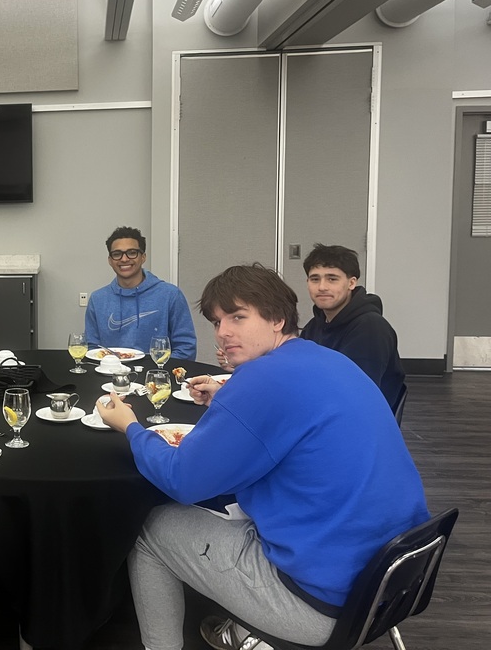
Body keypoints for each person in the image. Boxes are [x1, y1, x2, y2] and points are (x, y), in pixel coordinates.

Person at [96, 263, 428, 650]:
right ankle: (238, 628)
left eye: (238, 317)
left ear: (277, 320)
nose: (223, 332)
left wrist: (130, 427)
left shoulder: (262, 379)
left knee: (150, 526)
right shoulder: (329, 360)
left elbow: (182, 480)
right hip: (395, 578)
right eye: (217, 322)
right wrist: (230, 398)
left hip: (322, 605)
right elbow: (295, 419)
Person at [300, 243, 407, 416]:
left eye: (332, 279)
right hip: (328, 410)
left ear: (351, 283)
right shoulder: (315, 325)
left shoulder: (370, 327)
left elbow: (356, 393)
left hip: (358, 420)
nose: (322, 287)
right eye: (315, 279)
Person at [84, 226, 197, 359]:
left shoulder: (170, 295)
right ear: (110, 260)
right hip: (109, 371)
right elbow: (92, 348)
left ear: (143, 257)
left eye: (132, 252)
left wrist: (158, 369)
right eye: (117, 254)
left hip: (156, 372)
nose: (124, 259)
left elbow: (186, 348)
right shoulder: (97, 299)